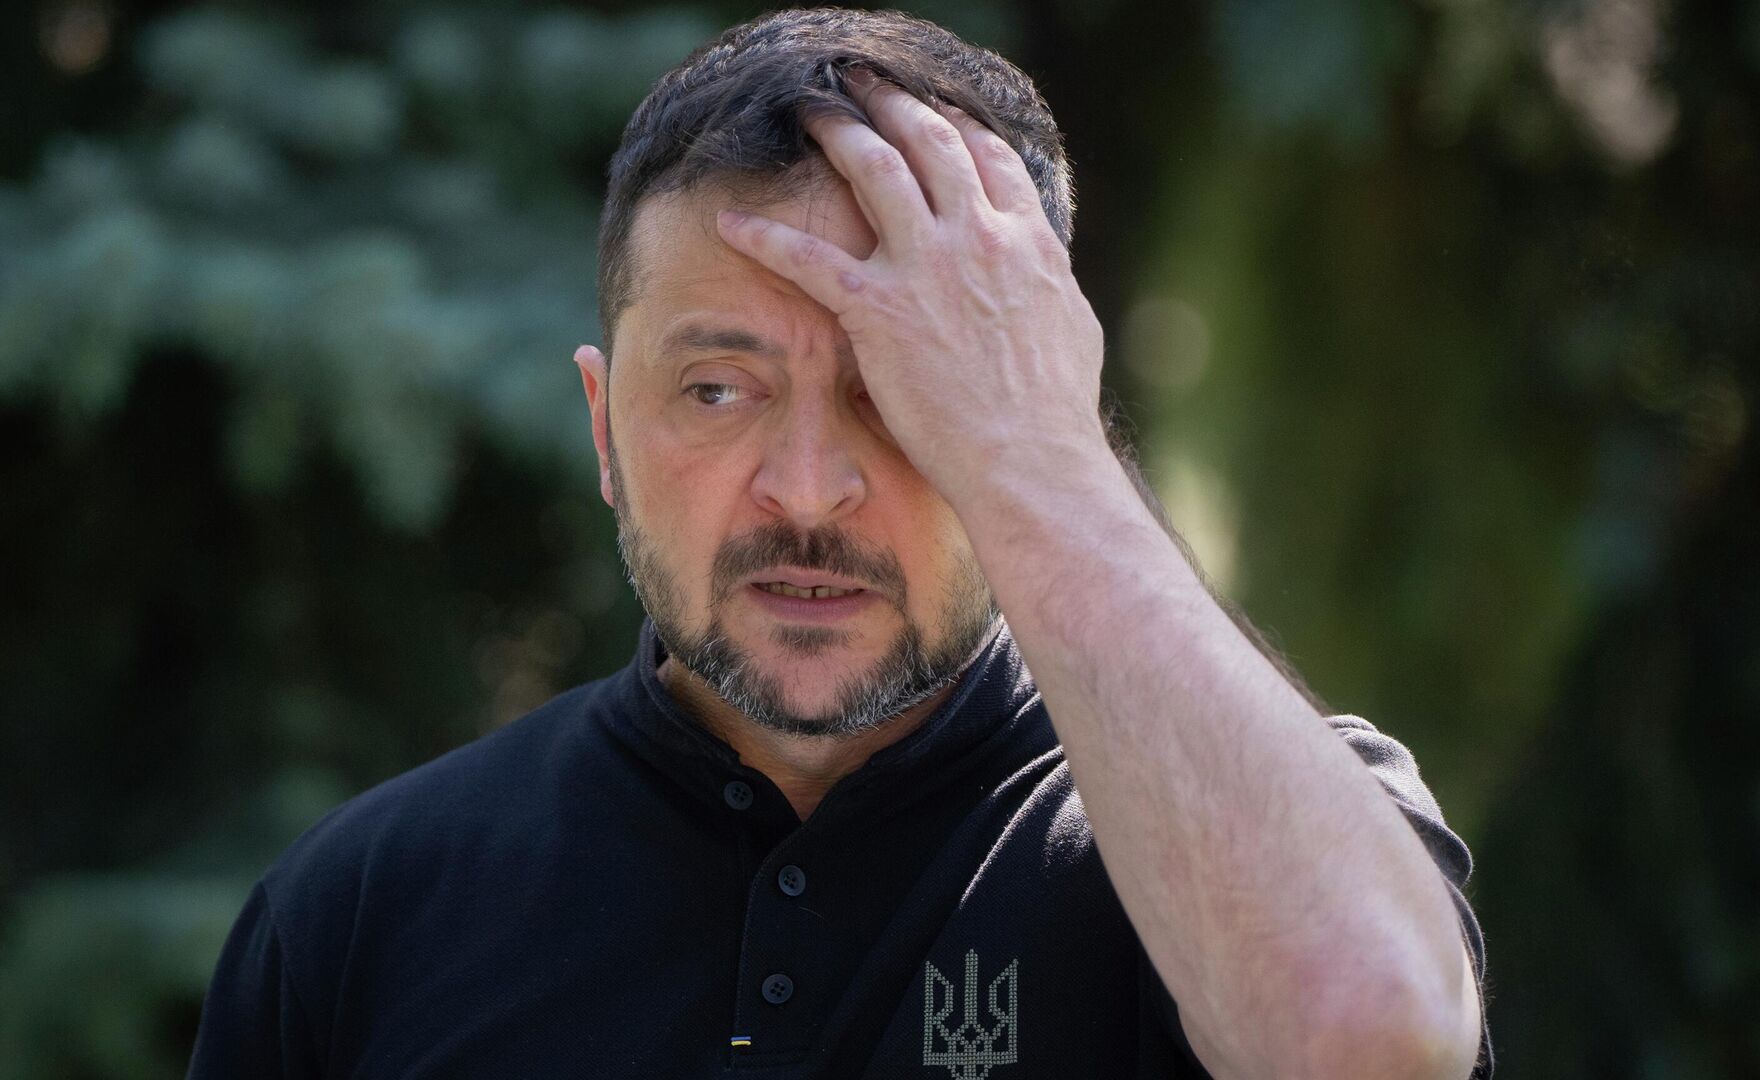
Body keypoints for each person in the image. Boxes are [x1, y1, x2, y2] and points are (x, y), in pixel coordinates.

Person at [187, 8, 1492, 1078]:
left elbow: (1369, 1039)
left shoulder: (1268, 835)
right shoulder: (357, 918)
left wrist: (1041, 455)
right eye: (716, 390)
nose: (807, 492)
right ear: (604, 427)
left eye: (902, 389)